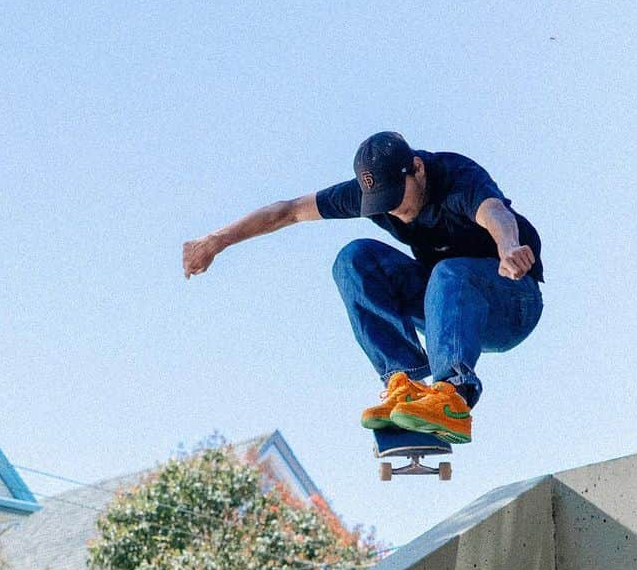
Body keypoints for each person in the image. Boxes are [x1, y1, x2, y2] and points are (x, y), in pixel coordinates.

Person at [182, 132, 543, 444]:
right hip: (447, 310)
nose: (394, 213)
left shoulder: (456, 177)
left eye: (397, 200)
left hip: (511, 301)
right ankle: (407, 384)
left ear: (416, 169)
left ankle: (454, 394)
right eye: (383, 206)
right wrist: (216, 241)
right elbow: (288, 211)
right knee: (354, 259)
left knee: (448, 272)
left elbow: (494, 211)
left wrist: (509, 248)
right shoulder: (375, 198)